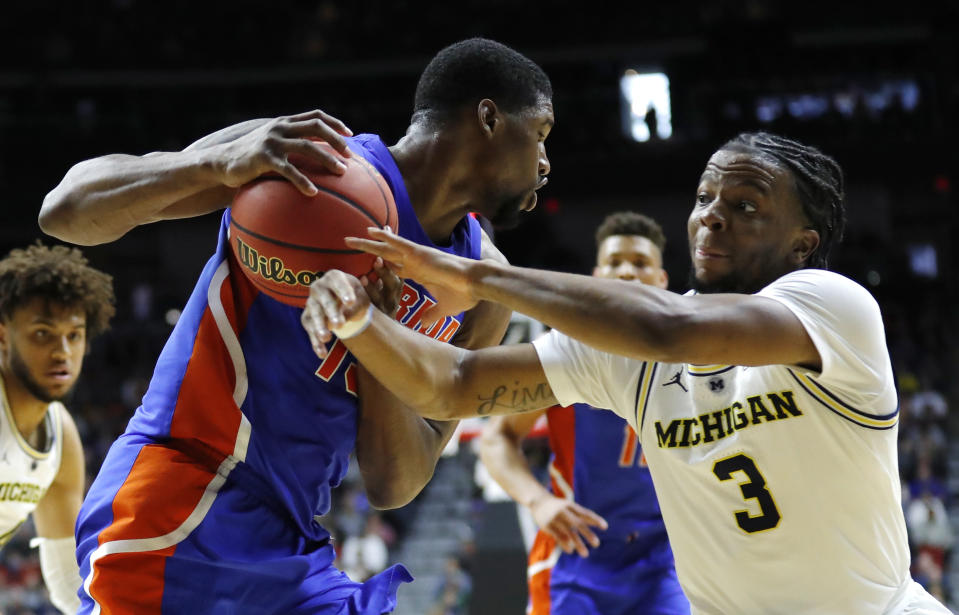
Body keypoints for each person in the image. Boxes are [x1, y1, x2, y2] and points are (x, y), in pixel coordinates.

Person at [302, 132, 951, 614]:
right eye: (703, 197)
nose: (712, 214)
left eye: (746, 204)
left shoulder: (832, 306)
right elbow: (454, 383)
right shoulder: (624, 350)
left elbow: (672, 331)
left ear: (801, 243)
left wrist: (477, 277)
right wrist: (363, 322)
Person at [40, 37, 553, 614]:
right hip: (176, 493)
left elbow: (395, 484)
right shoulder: (304, 158)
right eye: (540, 133)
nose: (545, 162)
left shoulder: (482, 290)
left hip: (292, 538)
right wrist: (216, 163)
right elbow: (65, 211)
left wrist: (376, 338)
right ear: (489, 117)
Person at [478, 211, 688, 614]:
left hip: (664, 557)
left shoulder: (691, 354)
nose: (627, 272)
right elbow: (496, 437)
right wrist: (538, 501)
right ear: (596, 277)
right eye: (614, 263)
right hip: (578, 552)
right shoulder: (568, 351)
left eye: (641, 263)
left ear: (662, 280)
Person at [0, 243, 115, 613]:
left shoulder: (60, 434)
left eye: (74, 335)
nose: (62, 351)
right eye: (42, 334)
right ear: (4, 336)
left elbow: (69, 584)